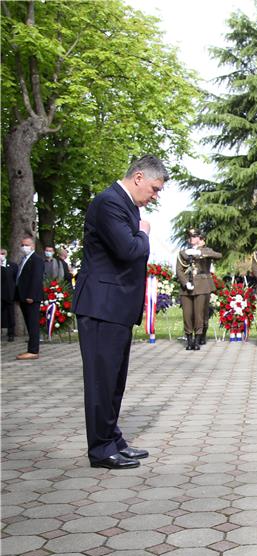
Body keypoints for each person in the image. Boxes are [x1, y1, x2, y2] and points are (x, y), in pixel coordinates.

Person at [73, 154, 167, 469]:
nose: (154, 196)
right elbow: (128, 249)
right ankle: (100, 450)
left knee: (114, 379)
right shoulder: (108, 203)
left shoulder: (127, 206)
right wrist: (143, 233)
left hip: (115, 308)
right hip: (101, 306)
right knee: (102, 380)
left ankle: (112, 438)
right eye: (154, 188)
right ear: (138, 177)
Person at [176, 228, 222, 350]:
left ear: (199, 238)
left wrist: (201, 253)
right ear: (188, 239)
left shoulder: (206, 251)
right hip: (187, 288)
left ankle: (197, 339)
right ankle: (189, 340)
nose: (193, 239)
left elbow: (218, 255)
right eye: (191, 237)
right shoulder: (183, 253)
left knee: (199, 314)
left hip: (202, 286)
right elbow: (179, 270)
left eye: (195, 236)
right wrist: (185, 283)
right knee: (187, 314)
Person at [14, 236, 45, 360]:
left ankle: (33, 350)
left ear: (32, 246)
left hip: (31, 297)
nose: (23, 247)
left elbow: (36, 279)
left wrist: (31, 295)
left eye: (25, 245)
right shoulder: (24, 259)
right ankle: (30, 348)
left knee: (33, 324)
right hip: (23, 296)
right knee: (29, 323)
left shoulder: (36, 259)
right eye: (22, 245)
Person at [1, 248, 18, 342]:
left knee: (10, 314)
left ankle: (11, 333)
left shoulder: (12, 265)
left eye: (3, 253)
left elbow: (16, 279)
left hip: (9, 294)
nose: (1, 255)